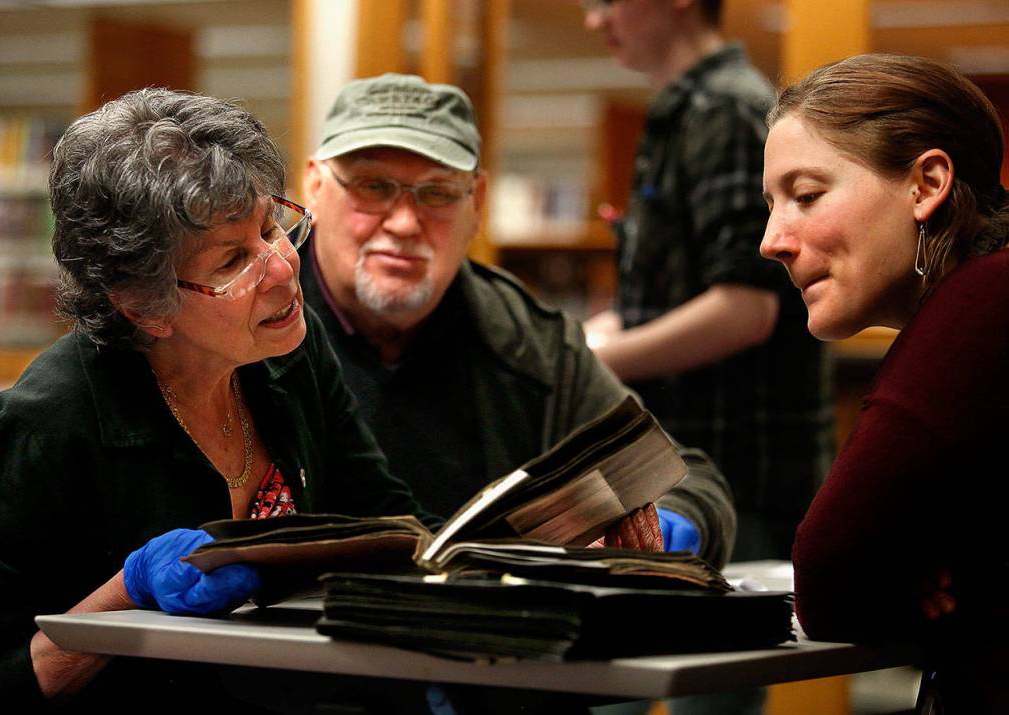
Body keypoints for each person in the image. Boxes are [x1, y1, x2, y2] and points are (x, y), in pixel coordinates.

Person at [0, 88, 664, 714]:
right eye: (231, 262)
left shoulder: (286, 359)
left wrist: (560, 546)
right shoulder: (46, 423)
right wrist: (125, 595)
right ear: (142, 303)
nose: (282, 267)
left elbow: (395, 527)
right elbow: (2, 679)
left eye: (271, 228)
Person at [299, 72, 737, 569]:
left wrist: (665, 527)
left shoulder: (527, 342)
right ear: (315, 185)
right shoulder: (252, 312)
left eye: (438, 193)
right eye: (373, 187)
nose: (403, 222)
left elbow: (686, 479)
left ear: (478, 202)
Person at [760, 53, 1009, 712]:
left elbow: (831, 576)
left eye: (806, 195)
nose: (771, 240)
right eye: (770, 204)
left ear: (926, 183)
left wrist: (908, 573)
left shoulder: (984, 301)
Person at [580, 0, 832, 564]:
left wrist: (592, 365)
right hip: (685, 481)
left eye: (605, 2)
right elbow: (661, 298)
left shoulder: (725, 111)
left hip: (744, 488)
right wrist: (578, 340)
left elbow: (746, 308)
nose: (594, 20)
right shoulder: (683, 113)